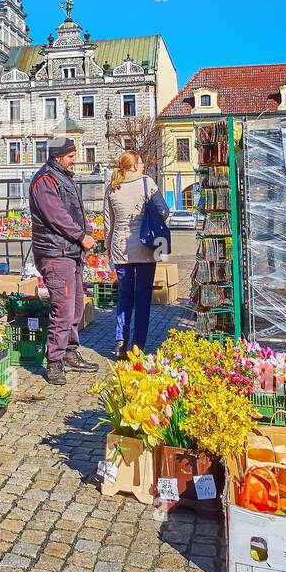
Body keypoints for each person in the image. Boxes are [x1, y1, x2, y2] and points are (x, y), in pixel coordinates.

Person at [28, 136, 98, 386]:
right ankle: (54, 360)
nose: (74, 159)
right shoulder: (45, 180)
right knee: (63, 309)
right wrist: (81, 236)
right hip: (55, 252)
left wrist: (82, 237)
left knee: (76, 306)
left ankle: (69, 351)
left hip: (70, 251)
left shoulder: (62, 177)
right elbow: (56, 216)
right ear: (58, 157)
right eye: (70, 155)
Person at [103, 151, 168, 359]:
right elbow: (164, 211)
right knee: (142, 298)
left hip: (120, 248)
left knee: (124, 296)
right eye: (140, 162)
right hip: (145, 247)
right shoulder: (147, 183)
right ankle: (137, 345)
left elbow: (107, 223)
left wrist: (108, 248)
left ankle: (120, 342)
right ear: (132, 166)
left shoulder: (112, 187)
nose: (143, 166)